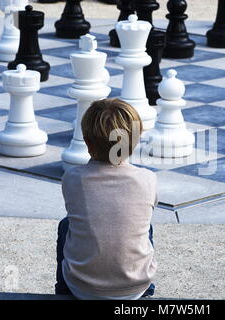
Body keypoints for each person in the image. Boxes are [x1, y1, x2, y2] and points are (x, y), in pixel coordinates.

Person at [55, 98, 157, 299]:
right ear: (135, 141)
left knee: (66, 225)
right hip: (135, 289)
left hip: (81, 288)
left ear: (87, 142)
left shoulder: (72, 178)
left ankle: (63, 292)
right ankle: (146, 294)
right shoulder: (148, 178)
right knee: (146, 226)